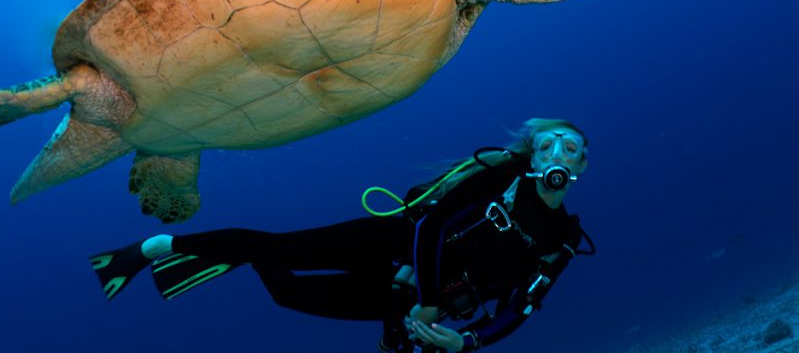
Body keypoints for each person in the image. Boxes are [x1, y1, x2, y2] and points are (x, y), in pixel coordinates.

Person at [90, 118, 593, 352]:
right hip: (397, 244)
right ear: (533, 152)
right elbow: (435, 224)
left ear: (581, 165)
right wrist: (433, 303)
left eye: (569, 147)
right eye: (547, 143)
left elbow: (523, 306)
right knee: (280, 246)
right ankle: (155, 248)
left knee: (287, 292)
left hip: (409, 298)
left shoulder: (565, 237)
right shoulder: (500, 175)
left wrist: (468, 342)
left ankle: (227, 256)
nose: (556, 153)